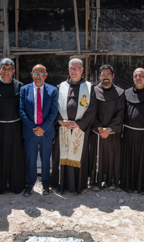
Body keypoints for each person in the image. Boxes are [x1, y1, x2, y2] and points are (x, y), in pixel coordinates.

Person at [51, 58, 97, 194]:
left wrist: (79, 123)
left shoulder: (89, 87)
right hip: (63, 128)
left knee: (78, 156)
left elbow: (92, 109)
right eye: (71, 68)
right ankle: (60, 184)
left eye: (76, 68)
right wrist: (60, 121)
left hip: (80, 129)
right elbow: (54, 108)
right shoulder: (61, 87)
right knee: (61, 155)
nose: (73, 71)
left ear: (82, 70)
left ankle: (78, 186)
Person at [0, 58, 26, 195]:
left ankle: (16, 185)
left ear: (13, 71)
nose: (6, 71)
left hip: (15, 127)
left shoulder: (20, 86)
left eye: (9, 69)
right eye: (4, 68)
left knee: (16, 156)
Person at [19, 64, 58, 196]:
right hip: (30, 131)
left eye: (41, 74)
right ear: (32, 74)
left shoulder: (52, 91)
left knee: (46, 158)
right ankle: (30, 184)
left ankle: (46, 184)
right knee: (31, 158)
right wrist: (33, 128)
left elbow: (53, 112)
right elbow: (21, 111)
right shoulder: (24, 90)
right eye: (36, 73)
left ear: (45, 75)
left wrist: (43, 128)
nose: (38, 77)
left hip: (46, 131)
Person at [120, 68, 144, 193]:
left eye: (141, 75)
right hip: (129, 133)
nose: (138, 78)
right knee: (129, 160)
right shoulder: (127, 93)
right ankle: (128, 185)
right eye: (136, 76)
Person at [89, 64, 125, 190]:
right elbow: (91, 112)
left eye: (108, 74)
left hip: (112, 133)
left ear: (113, 76)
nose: (106, 77)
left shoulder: (120, 93)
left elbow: (120, 113)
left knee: (112, 157)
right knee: (97, 157)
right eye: (103, 75)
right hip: (97, 133)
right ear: (99, 76)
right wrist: (99, 128)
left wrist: (109, 129)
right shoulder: (93, 91)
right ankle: (96, 182)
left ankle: (112, 182)